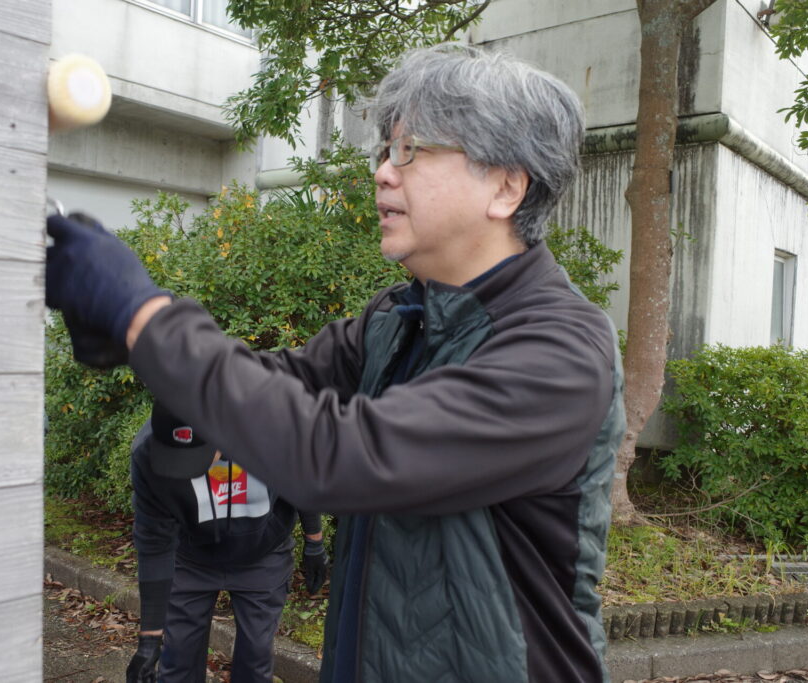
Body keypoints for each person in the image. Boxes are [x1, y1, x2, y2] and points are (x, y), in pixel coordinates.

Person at [47, 44, 626, 683]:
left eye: (410, 150)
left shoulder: (561, 352)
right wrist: (131, 334)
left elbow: (340, 454)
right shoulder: (400, 318)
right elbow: (271, 387)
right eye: (385, 150)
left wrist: (142, 315)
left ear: (507, 187)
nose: (383, 172)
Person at [125, 402, 328, 683]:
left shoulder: (276, 431)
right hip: (189, 558)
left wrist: (314, 541)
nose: (185, 470)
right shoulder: (148, 452)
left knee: (255, 660)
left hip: (262, 553)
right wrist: (149, 641)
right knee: (178, 661)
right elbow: (154, 545)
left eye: (194, 458)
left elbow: (301, 483)